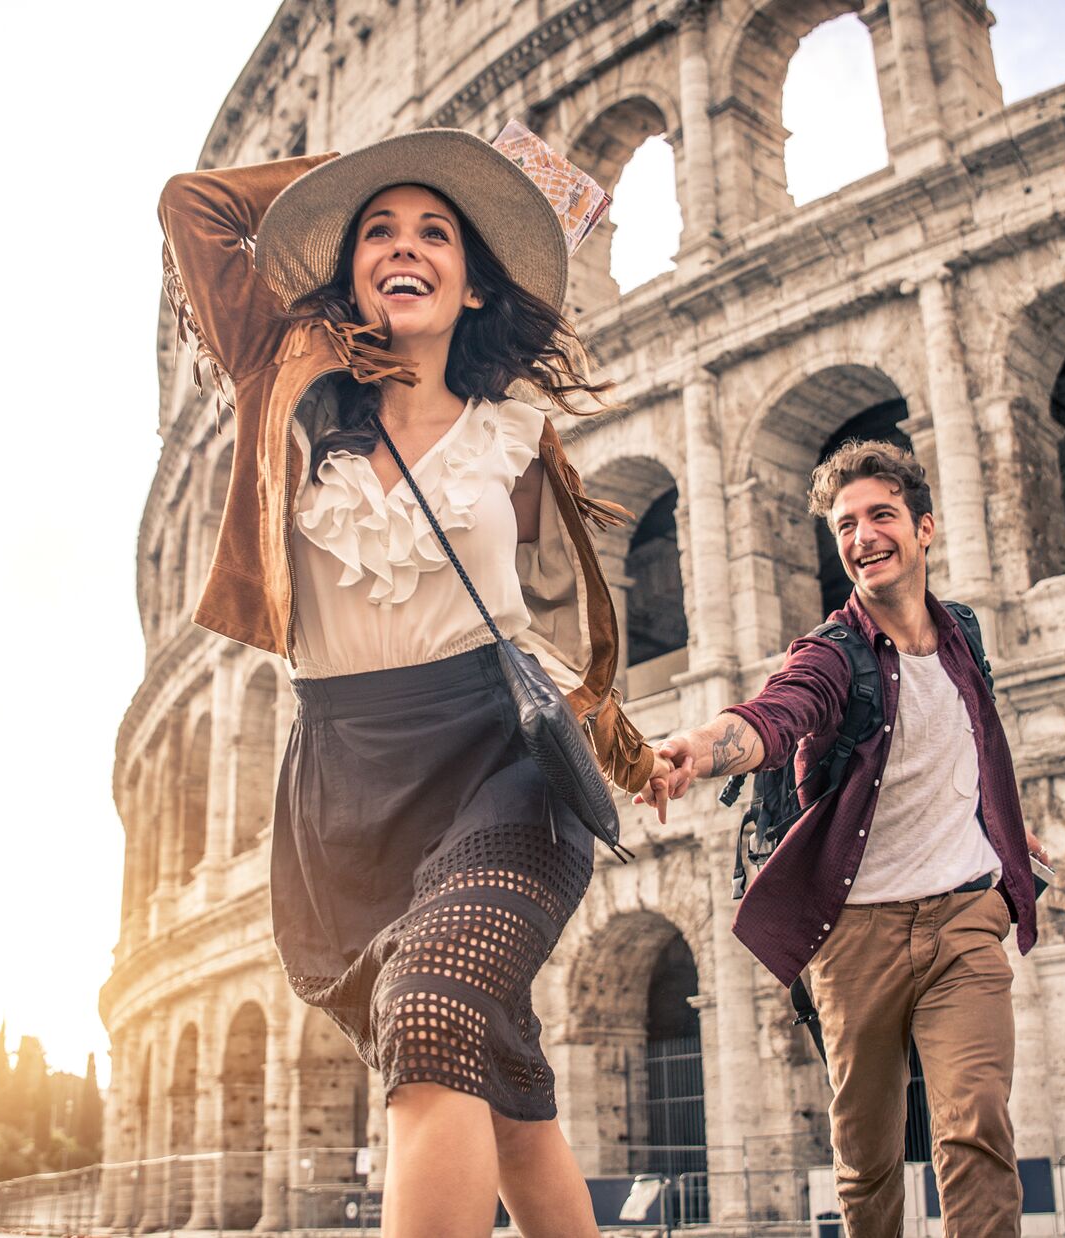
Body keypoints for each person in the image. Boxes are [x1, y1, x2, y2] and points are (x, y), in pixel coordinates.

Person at [158, 127, 657, 1238]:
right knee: (506, 1092)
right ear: (347, 269)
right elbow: (193, 204)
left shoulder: (515, 441)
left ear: (476, 284)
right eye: (378, 232)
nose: (405, 244)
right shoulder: (280, 381)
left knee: (430, 1017)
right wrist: (343, 188)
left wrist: (627, 746)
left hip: (496, 762)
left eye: (437, 231)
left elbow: (562, 627)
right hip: (346, 779)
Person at [641, 440, 1049, 1237]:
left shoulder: (964, 634)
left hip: (965, 918)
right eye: (846, 525)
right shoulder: (832, 654)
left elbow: (970, 746)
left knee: (977, 1130)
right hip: (856, 936)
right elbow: (772, 717)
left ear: (924, 528)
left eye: (881, 515)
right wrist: (699, 747)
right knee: (866, 1163)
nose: (863, 535)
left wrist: (999, 821)